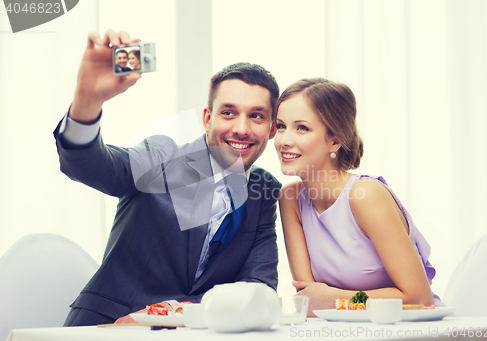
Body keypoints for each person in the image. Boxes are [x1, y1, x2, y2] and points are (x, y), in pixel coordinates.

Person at [54, 29, 281, 326]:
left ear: (272, 128)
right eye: (228, 112)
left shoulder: (263, 189)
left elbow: (257, 287)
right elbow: (91, 166)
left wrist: (168, 313)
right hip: (108, 328)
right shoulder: (162, 156)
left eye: (256, 116)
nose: (241, 128)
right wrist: (87, 101)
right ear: (207, 118)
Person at [274, 78, 443, 315]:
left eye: (302, 128)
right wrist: (324, 301)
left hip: (408, 331)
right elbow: (310, 302)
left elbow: (418, 297)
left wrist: (336, 299)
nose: (284, 141)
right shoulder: (290, 199)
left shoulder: (365, 196)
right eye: (281, 126)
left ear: (335, 140)